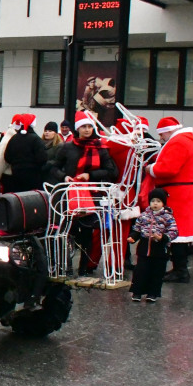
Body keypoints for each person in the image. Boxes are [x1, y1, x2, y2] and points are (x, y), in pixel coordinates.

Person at [47, 111, 119, 276]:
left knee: (87, 233)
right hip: (69, 194)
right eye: (83, 127)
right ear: (77, 129)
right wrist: (64, 177)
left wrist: (90, 176)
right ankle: (66, 266)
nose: (87, 130)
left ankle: (84, 268)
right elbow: (54, 167)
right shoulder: (67, 147)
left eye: (89, 126)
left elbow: (111, 171)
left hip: (92, 195)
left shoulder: (100, 148)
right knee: (67, 231)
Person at [147, 116, 193, 284]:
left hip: (178, 193)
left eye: (162, 135)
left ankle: (180, 270)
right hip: (184, 191)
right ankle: (180, 269)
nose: (161, 139)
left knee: (176, 233)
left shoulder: (179, 142)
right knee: (180, 233)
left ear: (167, 132)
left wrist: (150, 168)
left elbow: (168, 168)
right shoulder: (187, 141)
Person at [129, 188, 178, 303]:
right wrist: (133, 237)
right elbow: (137, 228)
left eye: (158, 201)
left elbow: (174, 231)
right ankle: (137, 292)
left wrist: (163, 238)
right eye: (153, 201)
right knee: (140, 271)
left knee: (157, 272)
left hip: (160, 248)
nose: (155, 203)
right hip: (144, 247)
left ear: (163, 203)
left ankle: (153, 293)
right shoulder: (144, 215)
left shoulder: (168, 217)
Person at [1, 114, 47, 193]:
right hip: (33, 177)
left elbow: (7, 157)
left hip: (15, 175)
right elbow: (42, 158)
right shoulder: (36, 139)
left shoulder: (14, 138)